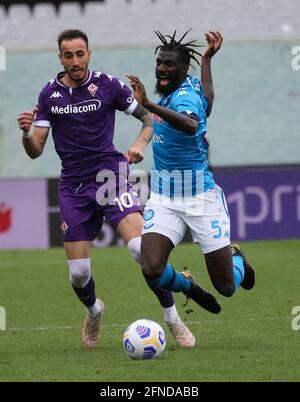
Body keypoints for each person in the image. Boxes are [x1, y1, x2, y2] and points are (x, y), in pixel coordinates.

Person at [17, 29, 201, 349]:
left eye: (80, 54)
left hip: (110, 178)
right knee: (78, 274)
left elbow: (146, 118)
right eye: (68, 55)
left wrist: (140, 144)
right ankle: (94, 310)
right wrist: (25, 134)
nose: (75, 61)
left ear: (89, 53)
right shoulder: (49, 95)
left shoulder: (109, 85)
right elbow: (36, 149)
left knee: (140, 251)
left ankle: (173, 318)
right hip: (73, 186)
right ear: (60, 57)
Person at [127, 30, 255, 322]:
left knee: (226, 287)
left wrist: (148, 104)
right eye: (160, 62)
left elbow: (189, 123)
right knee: (152, 268)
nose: (162, 68)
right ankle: (189, 284)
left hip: (200, 197)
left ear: (183, 69)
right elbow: (208, 100)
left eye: (169, 64)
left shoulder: (183, 96)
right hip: (164, 197)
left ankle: (238, 261)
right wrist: (207, 59)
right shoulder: (188, 86)